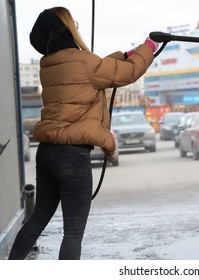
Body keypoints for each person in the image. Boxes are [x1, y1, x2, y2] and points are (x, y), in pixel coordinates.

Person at [8, 6, 158, 260]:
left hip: (47, 153)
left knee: (38, 219)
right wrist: (149, 47)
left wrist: (126, 53)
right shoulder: (85, 63)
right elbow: (128, 73)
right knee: (73, 233)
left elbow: (98, 68)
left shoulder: (50, 64)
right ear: (65, 29)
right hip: (72, 157)